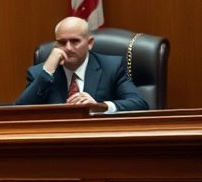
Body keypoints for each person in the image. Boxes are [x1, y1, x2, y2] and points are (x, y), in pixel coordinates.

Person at [15, 16, 148, 113]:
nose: (68, 48)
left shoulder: (111, 67)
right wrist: (48, 70)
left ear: (90, 43)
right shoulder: (41, 73)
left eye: (74, 41)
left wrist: (100, 106)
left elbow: (138, 103)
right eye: (62, 42)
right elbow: (19, 112)